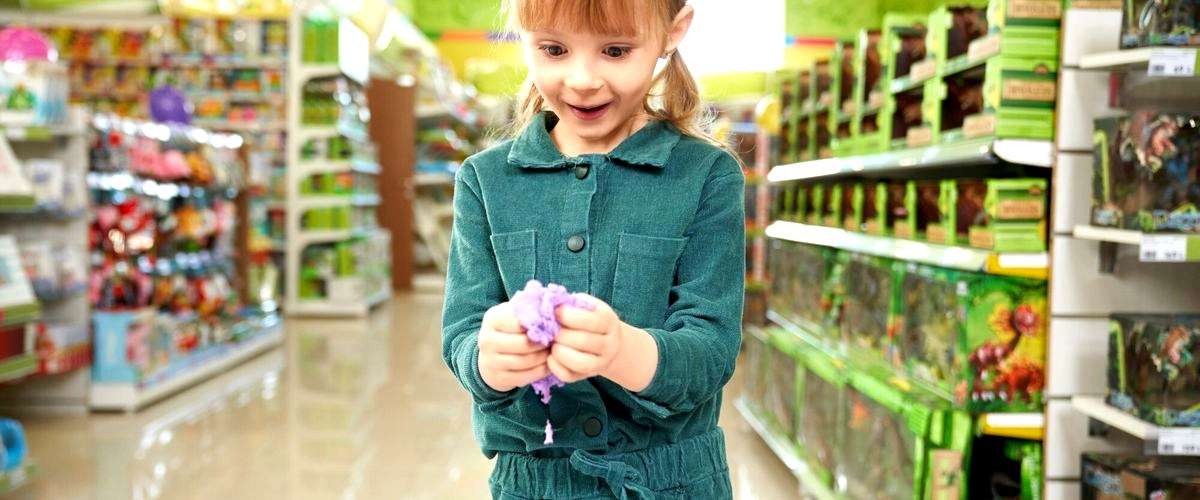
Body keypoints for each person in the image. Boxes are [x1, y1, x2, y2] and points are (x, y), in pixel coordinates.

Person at [441, 0, 745, 497]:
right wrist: (488, 360)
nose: (582, 79)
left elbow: (711, 350)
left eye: (616, 50)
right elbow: (462, 334)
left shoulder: (707, 175)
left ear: (672, 32)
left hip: (674, 481)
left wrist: (622, 350)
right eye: (554, 49)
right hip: (532, 483)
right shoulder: (484, 181)